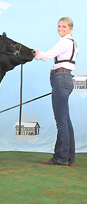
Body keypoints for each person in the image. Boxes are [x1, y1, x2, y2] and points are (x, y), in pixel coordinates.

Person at [34, 17, 78, 166]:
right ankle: (69, 157)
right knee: (66, 120)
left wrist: (33, 53)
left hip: (60, 78)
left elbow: (46, 56)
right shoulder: (72, 43)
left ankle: (60, 157)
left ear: (70, 28)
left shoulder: (65, 42)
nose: (60, 29)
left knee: (61, 122)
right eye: (59, 26)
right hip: (66, 79)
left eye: (64, 27)